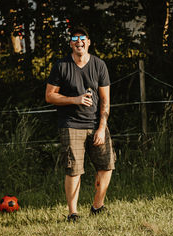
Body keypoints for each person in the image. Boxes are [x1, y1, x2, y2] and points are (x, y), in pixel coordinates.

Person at [45, 27, 115, 222]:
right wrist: (74, 100)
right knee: (74, 169)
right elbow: (49, 96)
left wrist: (101, 128)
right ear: (71, 44)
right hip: (71, 124)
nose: (79, 42)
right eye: (75, 39)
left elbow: (105, 101)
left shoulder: (99, 65)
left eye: (82, 39)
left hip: (95, 124)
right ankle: (73, 213)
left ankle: (97, 206)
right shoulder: (61, 66)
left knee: (106, 166)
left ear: (88, 42)